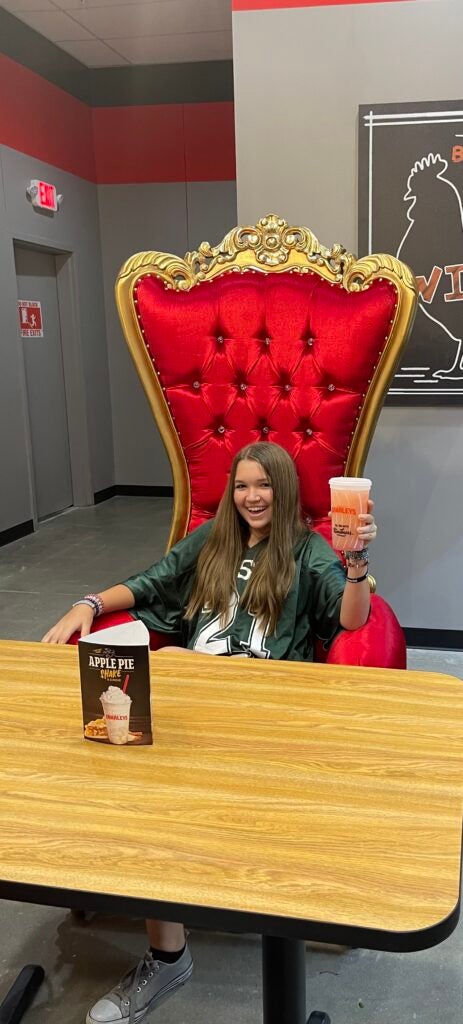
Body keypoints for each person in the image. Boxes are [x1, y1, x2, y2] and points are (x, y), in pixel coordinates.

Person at [42, 442, 377, 1024]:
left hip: (262, 710)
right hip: (191, 697)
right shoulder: (211, 541)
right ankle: (167, 954)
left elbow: (350, 618)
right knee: (134, 788)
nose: (252, 497)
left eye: (265, 485)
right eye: (243, 485)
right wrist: (89, 602)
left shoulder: (306, 548)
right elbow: (151, 582)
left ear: (285, 489)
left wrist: (357, 565)